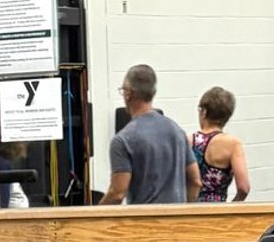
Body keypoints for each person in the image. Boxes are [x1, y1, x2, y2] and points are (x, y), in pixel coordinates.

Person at [103, 65, 199, 205]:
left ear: (128, 93)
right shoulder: (177, 131)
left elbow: (117, 193)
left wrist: (92, 216)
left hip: (143, 222)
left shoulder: (124, 139)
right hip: (176, 223)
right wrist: (183, 210)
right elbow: (196, 181)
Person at [191, 88, 250, 203]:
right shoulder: (232, 144)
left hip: (191, 209)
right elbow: (244, 188)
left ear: (204, 112)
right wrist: (232, 207)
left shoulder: (188, 141)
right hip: (217, 210)